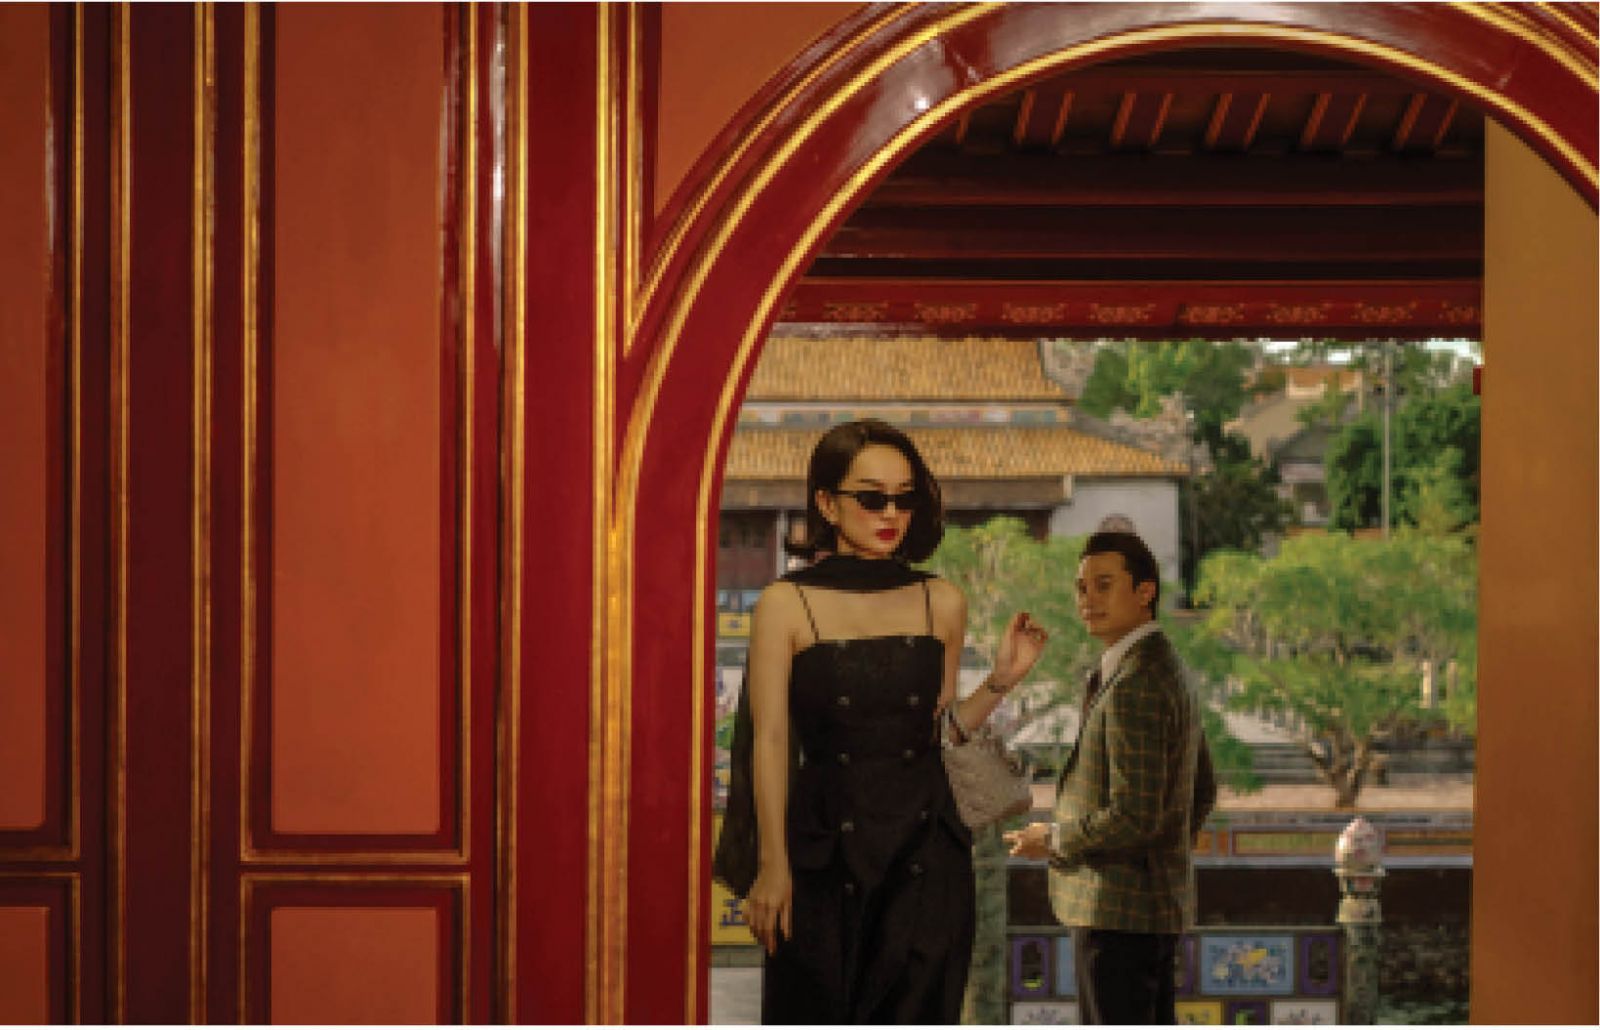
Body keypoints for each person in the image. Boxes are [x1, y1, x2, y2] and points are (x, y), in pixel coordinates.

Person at [726, 418, 1047, 1024]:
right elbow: (769, 741)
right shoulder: (785, 604)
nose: (891, 514)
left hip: (926, 856)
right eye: (872, 499)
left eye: (905, 498)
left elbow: (939, 735)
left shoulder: (942, 600)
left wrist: (1001, 681)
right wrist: (771, 865)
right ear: (827, 503)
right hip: (824, 852)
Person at [1004, 530, 1216, 1025]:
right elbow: (1200, 788)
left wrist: (1053, 838)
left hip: (1117, 916)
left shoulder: (1136, 683)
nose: (1088, 600)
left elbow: (1133, 814)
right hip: (1147, 912)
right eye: (1081, 588)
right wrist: (1159, 864)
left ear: (1145, 592)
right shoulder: (1164, 667)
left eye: (1104, 585)